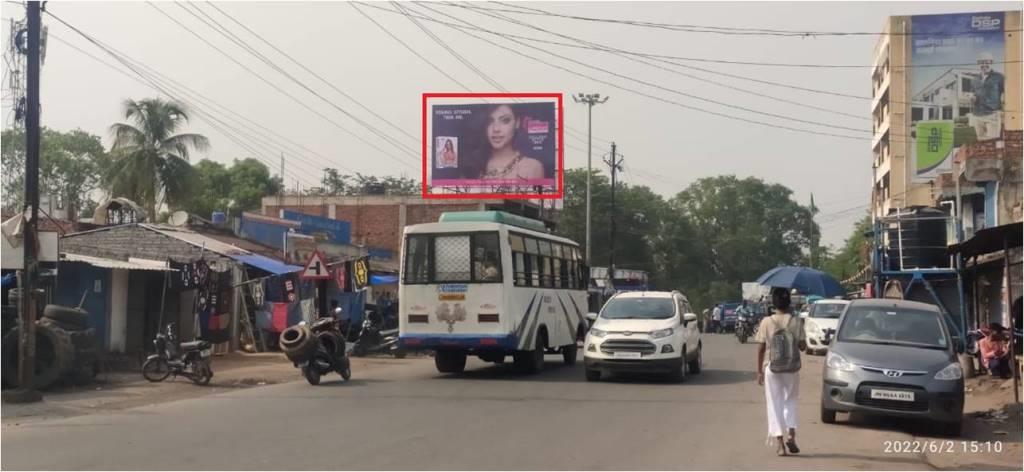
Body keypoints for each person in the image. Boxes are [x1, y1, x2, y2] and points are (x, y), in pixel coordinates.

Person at [755, 287, 807, 456]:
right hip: (792, 369)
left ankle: (780, 444)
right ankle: (791, 435)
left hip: (773, 368)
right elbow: (802, 346)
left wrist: (759, 371)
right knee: (790, 401)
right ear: (789, 302)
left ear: (773, 303)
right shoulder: (796, 321)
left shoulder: (766, 322)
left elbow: (761, 348)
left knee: (774, 404)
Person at [465, 104, 545, 181]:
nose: (496, 129)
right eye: (489, 121)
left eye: (505, 120)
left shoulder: (532, 168)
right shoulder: (472, 165)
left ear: (517, 123)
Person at [971, 51, 1005, 140]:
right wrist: (972, 98)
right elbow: (973, 94)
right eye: (981, 62)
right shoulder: (974, 79)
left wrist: (1003, 109)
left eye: (987, 62)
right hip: (977, 115)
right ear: (978, 64)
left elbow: (1006, 94)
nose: (984, 64)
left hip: (992, 115)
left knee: (993, 142)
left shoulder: (999, 77)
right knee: (981, 142)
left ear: (991, 63)